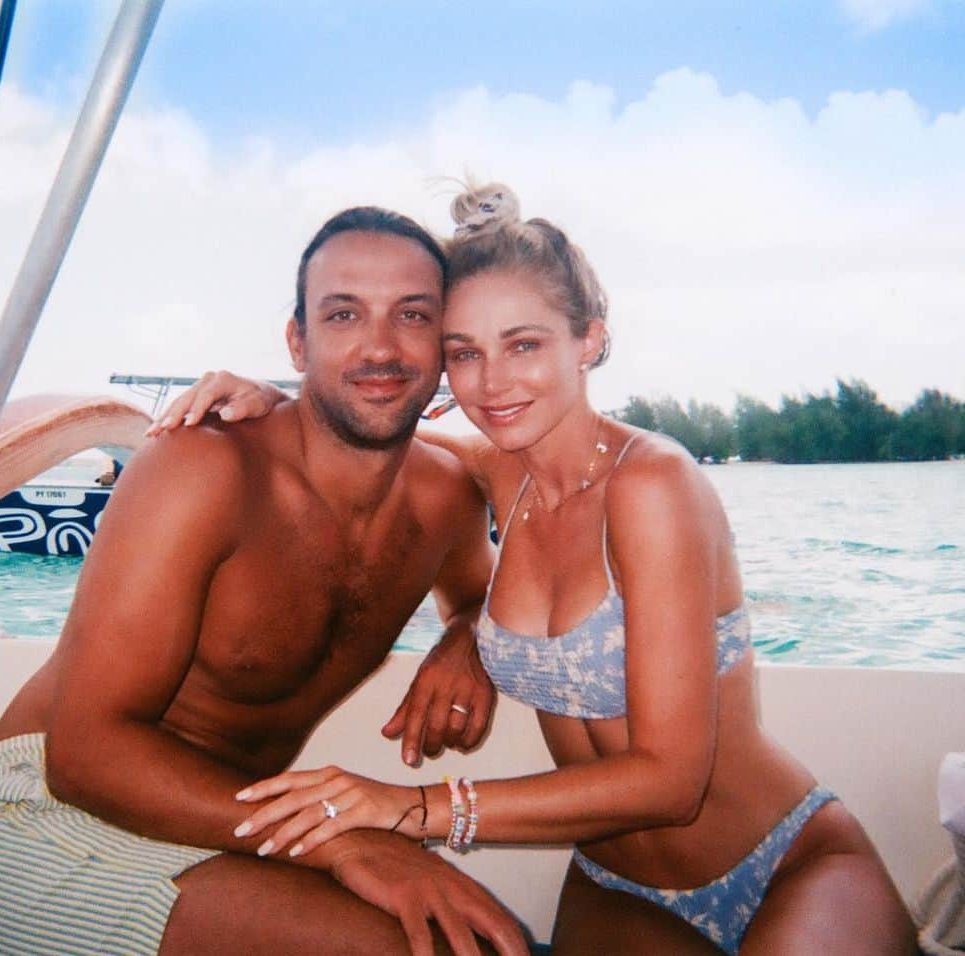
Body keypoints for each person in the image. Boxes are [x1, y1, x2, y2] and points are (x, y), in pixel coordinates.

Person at [164, 184, 917, 954]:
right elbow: (354, 430)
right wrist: (273, 398)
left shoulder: (652, 482)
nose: (493, 384)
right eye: (464, 354)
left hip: (780, 863)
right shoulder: (500, 471)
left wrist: (409, 808)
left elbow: (670, 778)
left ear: (586, 339)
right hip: (614, 885)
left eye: (523, 345)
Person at [0, 206, 529, 956]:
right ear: (298, 343)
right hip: (42, 818)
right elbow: (84, 753)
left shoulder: (446, 503)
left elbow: (480, 592)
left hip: (223, 827)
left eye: (412, 315)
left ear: (446, 344)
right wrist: (336, 837)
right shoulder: (202, 471)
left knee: (470, 941)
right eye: (343, 314)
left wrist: (469, 636)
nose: (379, 346)